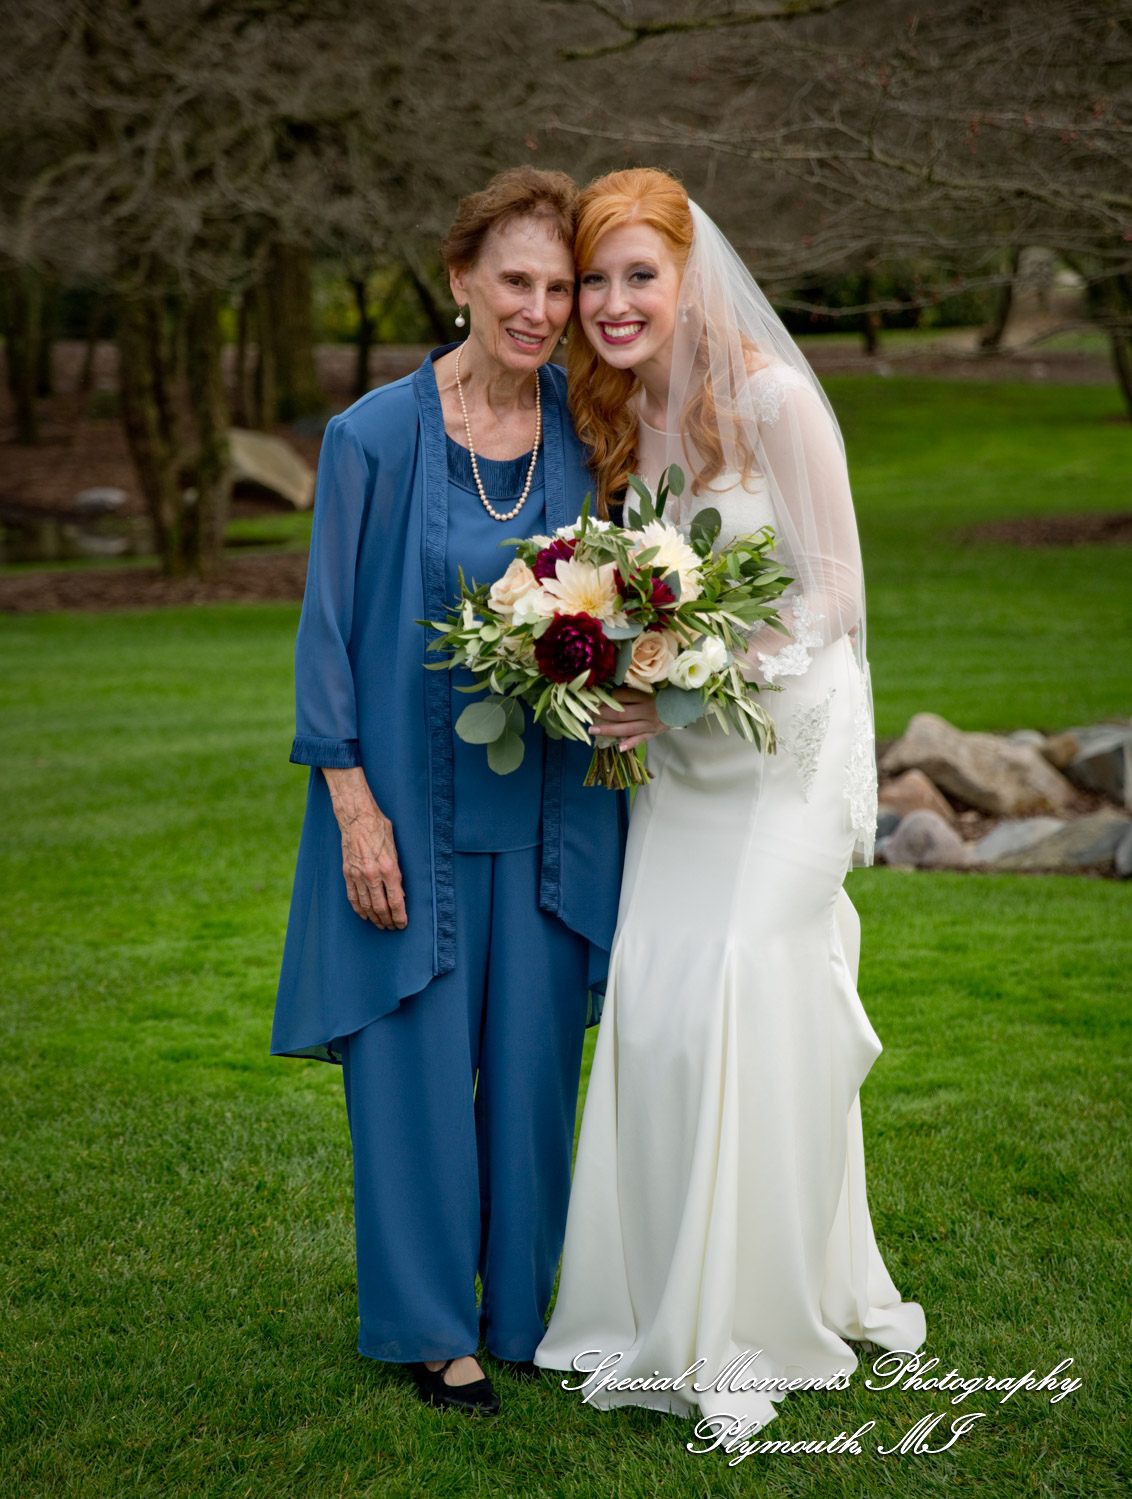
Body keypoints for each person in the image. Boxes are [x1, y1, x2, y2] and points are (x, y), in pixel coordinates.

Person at [535, 168, 926, 1429]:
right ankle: (652, 1290)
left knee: (737, 993)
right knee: (656, 1005)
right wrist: (600, 658)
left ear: (692, 276)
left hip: (780, 758)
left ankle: (745, 1318)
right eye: (594, 278)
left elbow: (835, 594)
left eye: (637, 273)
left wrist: (685, 671)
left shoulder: (773, 399)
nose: (608, 300)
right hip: (680, 771)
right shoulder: (620, 417)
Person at [272, 167, 627, 1417]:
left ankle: (523, 1305)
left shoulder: (593, 436)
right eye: (516, 282)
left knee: (532, 1067)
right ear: (462, 279)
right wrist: (353, 812)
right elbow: (326, 640)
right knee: (413, 1070)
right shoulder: (371, 434)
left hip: (549, 810)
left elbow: (626, 604)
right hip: (404, 813)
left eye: (557, 287)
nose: (539, 309)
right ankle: (435, 1327)